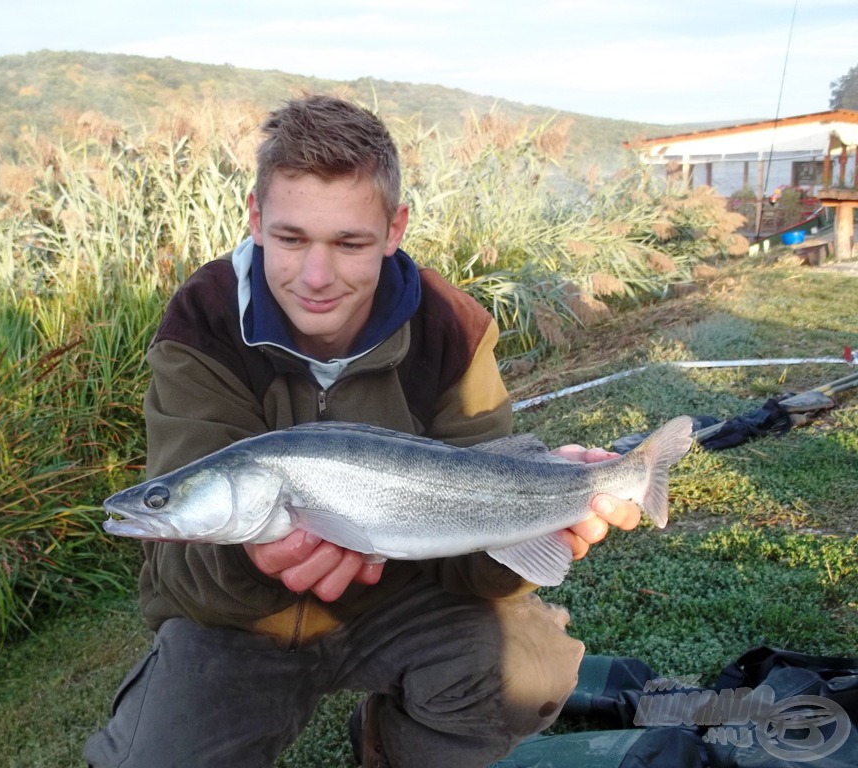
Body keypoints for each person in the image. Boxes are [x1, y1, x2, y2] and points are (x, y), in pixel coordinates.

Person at [84, 94, 642, 768]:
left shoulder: (452, 327)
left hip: (399, 602)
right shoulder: (202, 322)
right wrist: (251, 559)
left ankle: (389, 747)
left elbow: (472, 567)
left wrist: (537, 523)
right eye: (291, 239)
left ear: (394, 227)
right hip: (237, 623)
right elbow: (178, 571)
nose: (316, 277)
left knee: (528, 671)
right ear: (257, 218)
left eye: (350, 243)